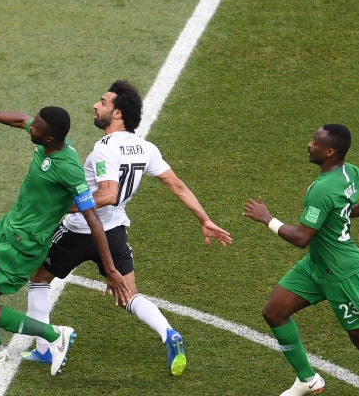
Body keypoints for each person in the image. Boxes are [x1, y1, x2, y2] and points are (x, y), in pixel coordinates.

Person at [19, 80, 233, 375]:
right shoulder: (145, 148)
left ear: (117, 113)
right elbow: (177, 185)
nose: (96, 105)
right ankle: (168, 333)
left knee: (39, 278)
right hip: (115, 232)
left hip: (80, 231)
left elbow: (108, 194)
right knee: (128, 294)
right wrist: (204, 219)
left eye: (103, 102)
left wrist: (55, 207)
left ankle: (44, 349)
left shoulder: (105, 148)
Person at [243, 124, 359, 396]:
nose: (309, 144)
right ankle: (307, 378)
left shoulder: (323, 190)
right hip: (317, 266)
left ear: (329, 152)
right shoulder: (351, 172)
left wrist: (268, 219)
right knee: (274, 312)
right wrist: (341, 213)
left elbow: (301, 238)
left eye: (315, 141)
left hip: (342, 273)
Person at [0, 103, 133, 376]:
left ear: (50, 137)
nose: (32, 127)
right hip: (8, 227)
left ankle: (55, 336)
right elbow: (20, 119)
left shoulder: (68, 169)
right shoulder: (45, 140)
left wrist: (111, 269)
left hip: (25, 245)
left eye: (37, 128)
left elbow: (94, 219)